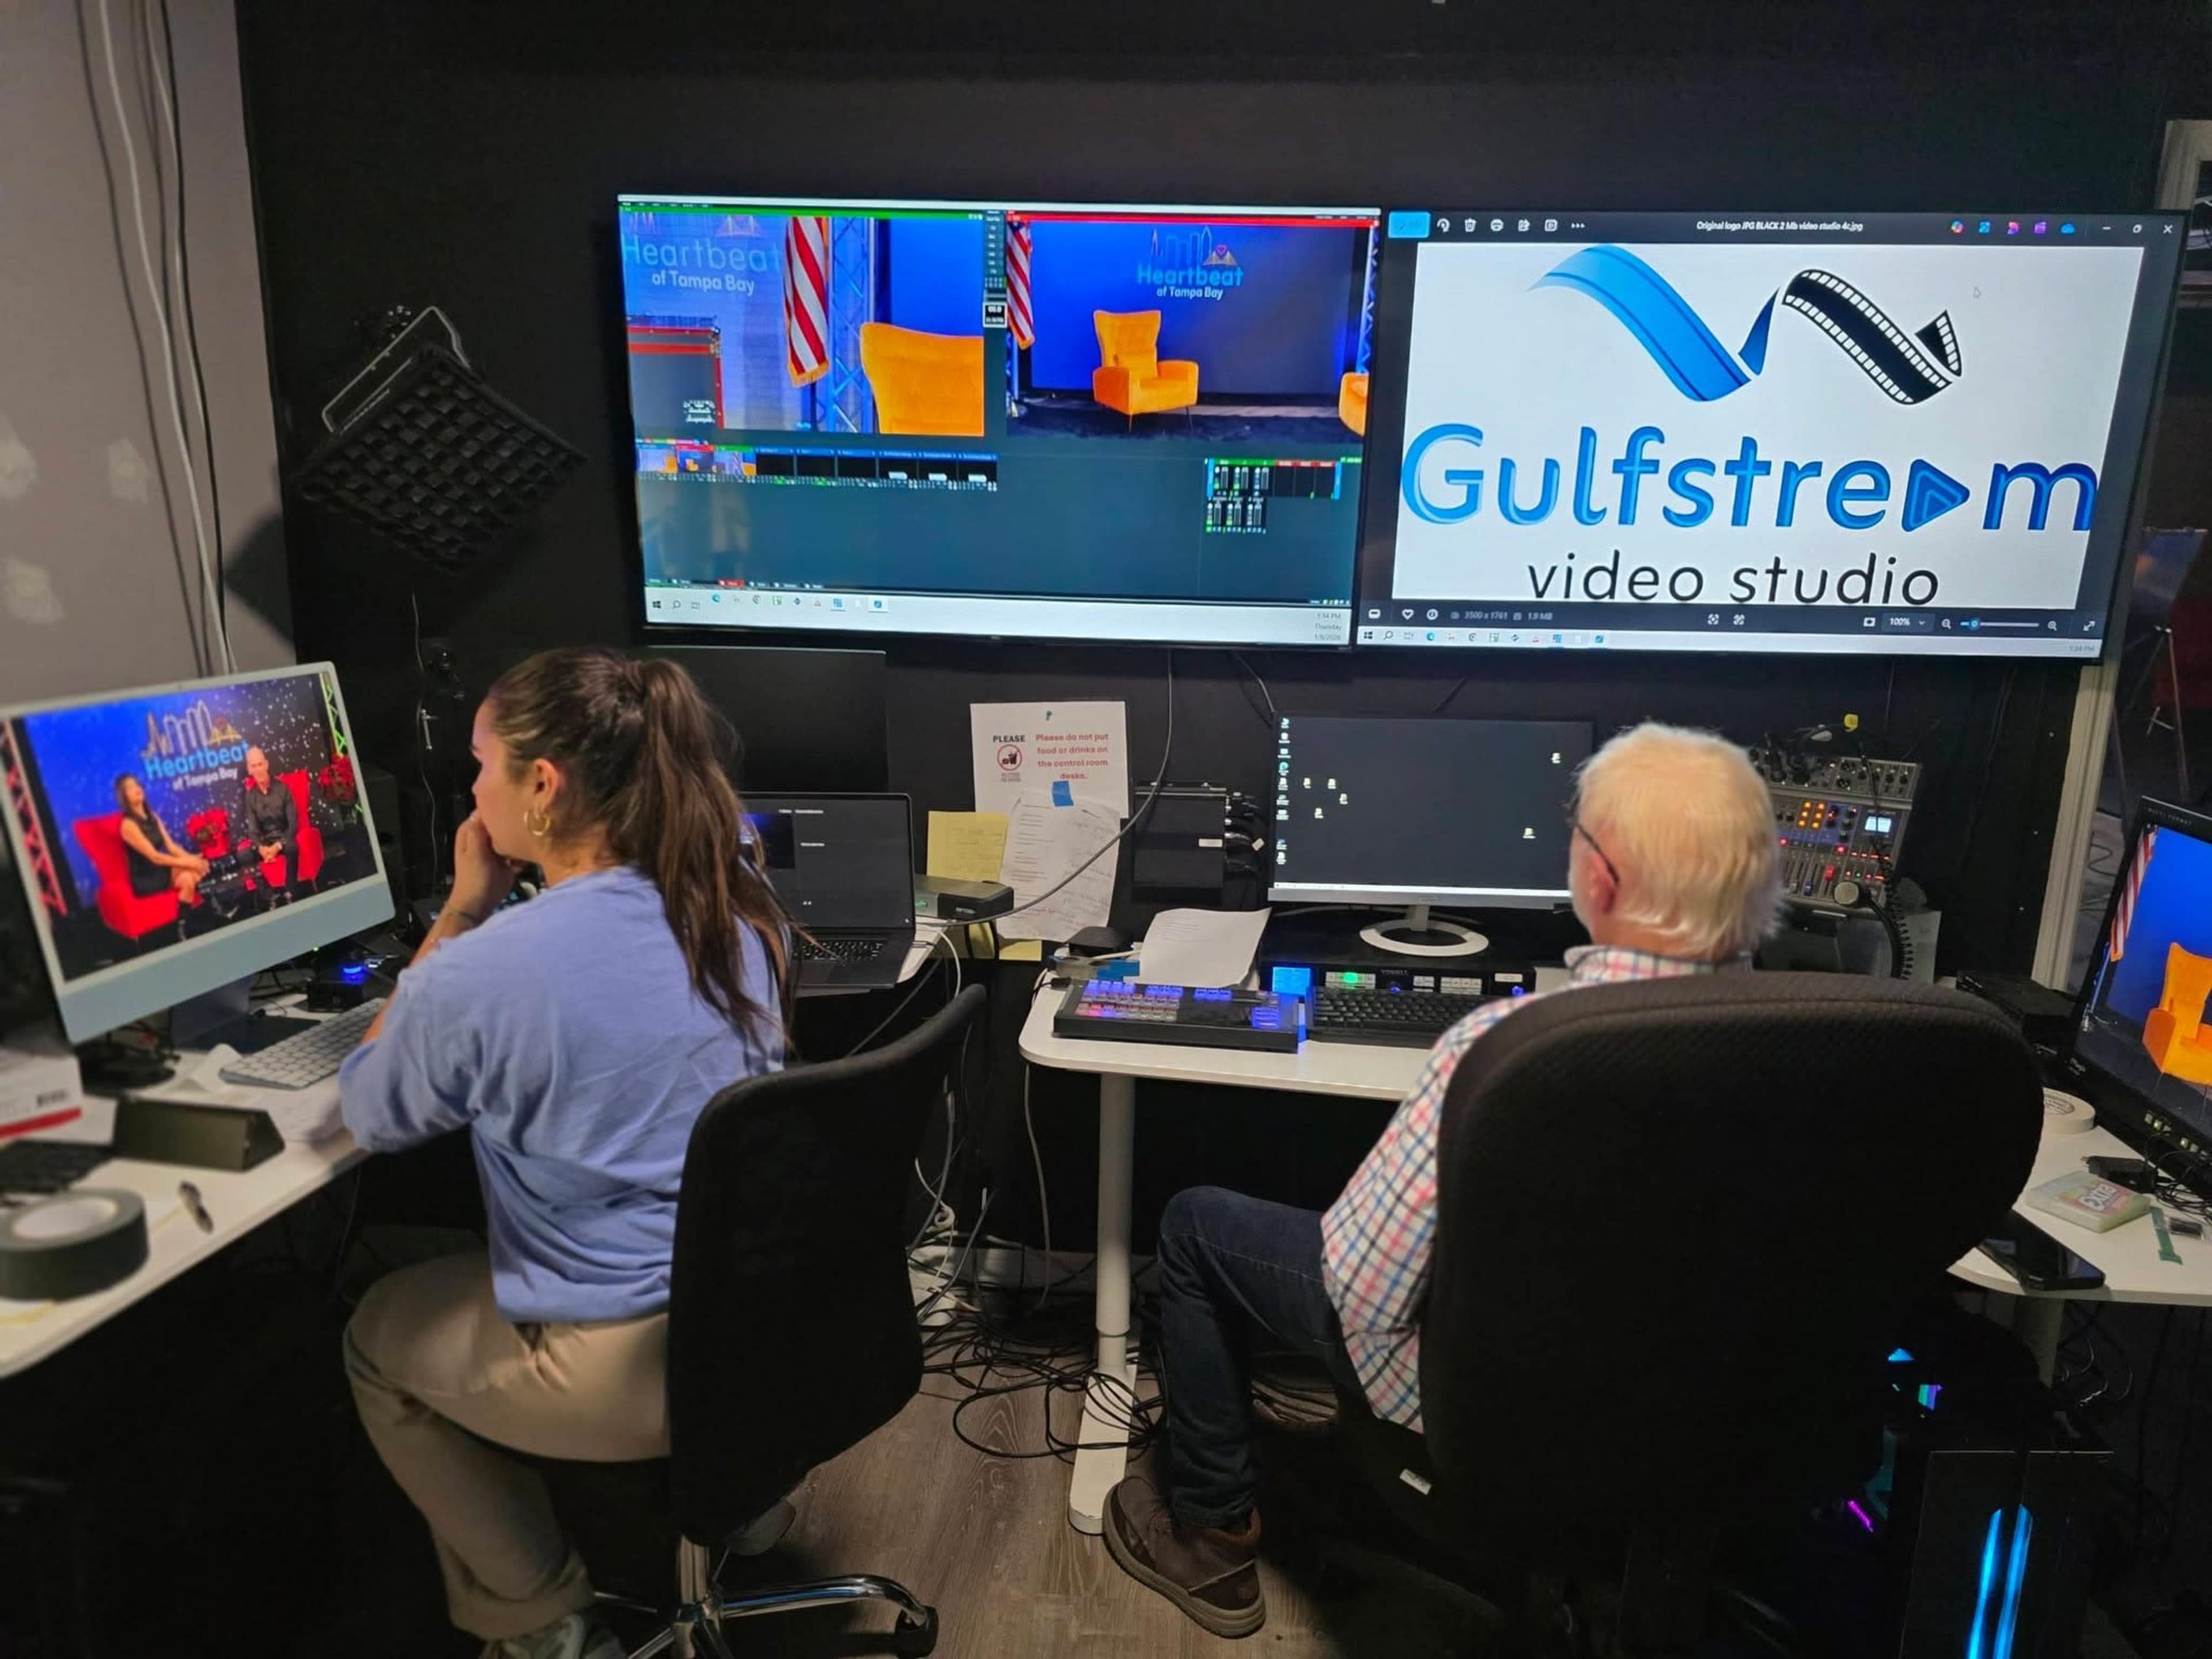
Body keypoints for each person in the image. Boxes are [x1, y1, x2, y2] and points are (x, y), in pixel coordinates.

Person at [1101, 722, 1785, 1638]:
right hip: (1705, 1429)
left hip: (1486, 1413)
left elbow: (1357, 1286)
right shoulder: (1821, 1055)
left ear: (1600, 880)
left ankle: (1214, 1535)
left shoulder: (1509, 1052)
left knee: (1194, 1226)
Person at [338, 648, 793, 1659]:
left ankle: (540, 1618)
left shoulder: (489, 969)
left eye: (480, 765)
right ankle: (746, 1504)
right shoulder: (738, 911)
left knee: (374, 1332)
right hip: (767, 1333)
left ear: (543, 785)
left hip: (622, 1373)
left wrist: (461, 912)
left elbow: (368, 1111)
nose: (471, 791)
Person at [113, 772, 208, 910]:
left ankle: (185, 919)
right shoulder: (128, 825)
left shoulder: (152, 816)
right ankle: (199, 911)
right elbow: (155, 857)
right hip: (146, 877)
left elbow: (171, 847)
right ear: (124, 796)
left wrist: (192, 858)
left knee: (188, 878)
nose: (136, 789)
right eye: (130, 787)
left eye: (137, 785)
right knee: (191, 869)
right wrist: (188, 862)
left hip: (160, 870)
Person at [237, 745, 303, 903]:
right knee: (243, 855)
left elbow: (293, 824)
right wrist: (261, 848)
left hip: (284, 839)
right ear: (249, 770)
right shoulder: (250, 796)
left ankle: (290, 891)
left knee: (293, 847)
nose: (258, 770)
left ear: (266, 765)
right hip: (265, 842)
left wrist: (278, 846)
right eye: (254, 766)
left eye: (260, 764)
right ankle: (268, 895)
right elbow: (253, 831)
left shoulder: (283, 789)